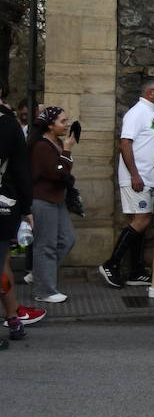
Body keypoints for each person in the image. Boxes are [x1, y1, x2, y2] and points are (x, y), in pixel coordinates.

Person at [100, 75, 154, 288]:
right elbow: (125, 144)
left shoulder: (153, 115)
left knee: (144, 221)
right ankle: (111, 264)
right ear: (150, 92)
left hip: (151, 178)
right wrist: (134, 175)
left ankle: (136, 271)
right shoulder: (137, 113)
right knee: (141, 220)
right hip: (138, 178)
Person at [29, 106, 78, 304]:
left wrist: (65, 149)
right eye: (62, 121)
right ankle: (44, 290)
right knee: (46, 245)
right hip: (42, 200)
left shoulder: (55, 142)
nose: (66, 125)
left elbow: (62, 169)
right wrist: (67, 150)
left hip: (56, 199)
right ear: (50, 125)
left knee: (67, 239)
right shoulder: (41, 146)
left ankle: (40, 273)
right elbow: (58, 173)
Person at [0, 83, 32, 339]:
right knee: (1, 263)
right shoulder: (9, 126)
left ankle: (12, 316)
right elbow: (21, 170)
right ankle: (12, 317)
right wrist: (26, 207)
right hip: (3, 205)